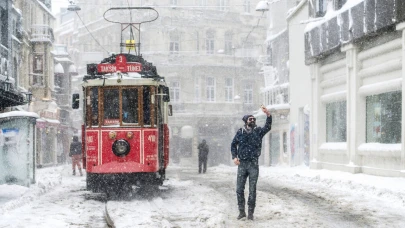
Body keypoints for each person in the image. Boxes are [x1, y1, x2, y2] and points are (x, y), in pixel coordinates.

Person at [231, 106, 272, 220]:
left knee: (252, 189)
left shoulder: (258, 131)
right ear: (246, 121)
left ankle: (250, 213)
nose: (253, 121)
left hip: (253, 164)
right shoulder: (240, 132)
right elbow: (233, 144)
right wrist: (234, 157)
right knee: (239, 189)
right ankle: (241, 212)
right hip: (242, 164)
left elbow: (268, 127)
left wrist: (268, 115)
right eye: (250, 119)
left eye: (254, 119)